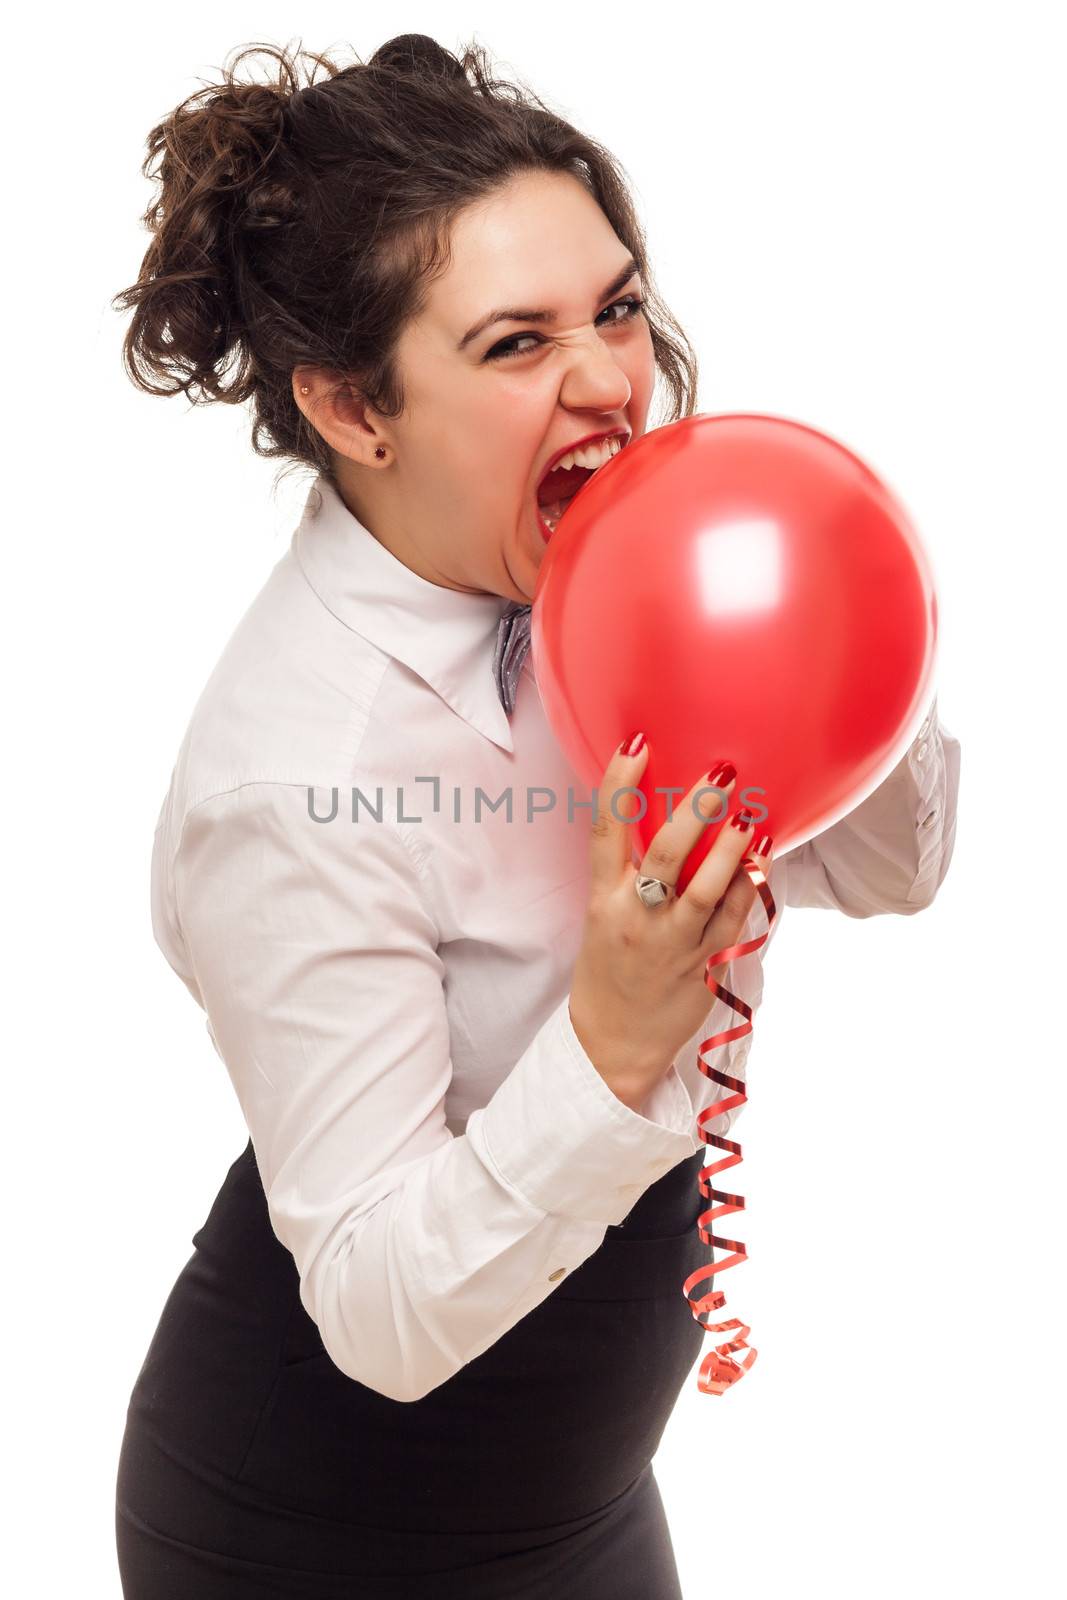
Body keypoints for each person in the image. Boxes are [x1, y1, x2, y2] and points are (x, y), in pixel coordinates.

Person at [111, 34, 962, 1599]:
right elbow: (372, 1313)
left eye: (618, 309)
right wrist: (620, 1033)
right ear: (353, 406)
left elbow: (893, 865)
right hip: (318, 1524)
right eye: (515, 344)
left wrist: (848, 631)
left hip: (586, 1484)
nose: (609, 381)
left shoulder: (639, 585)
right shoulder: (287, 783)